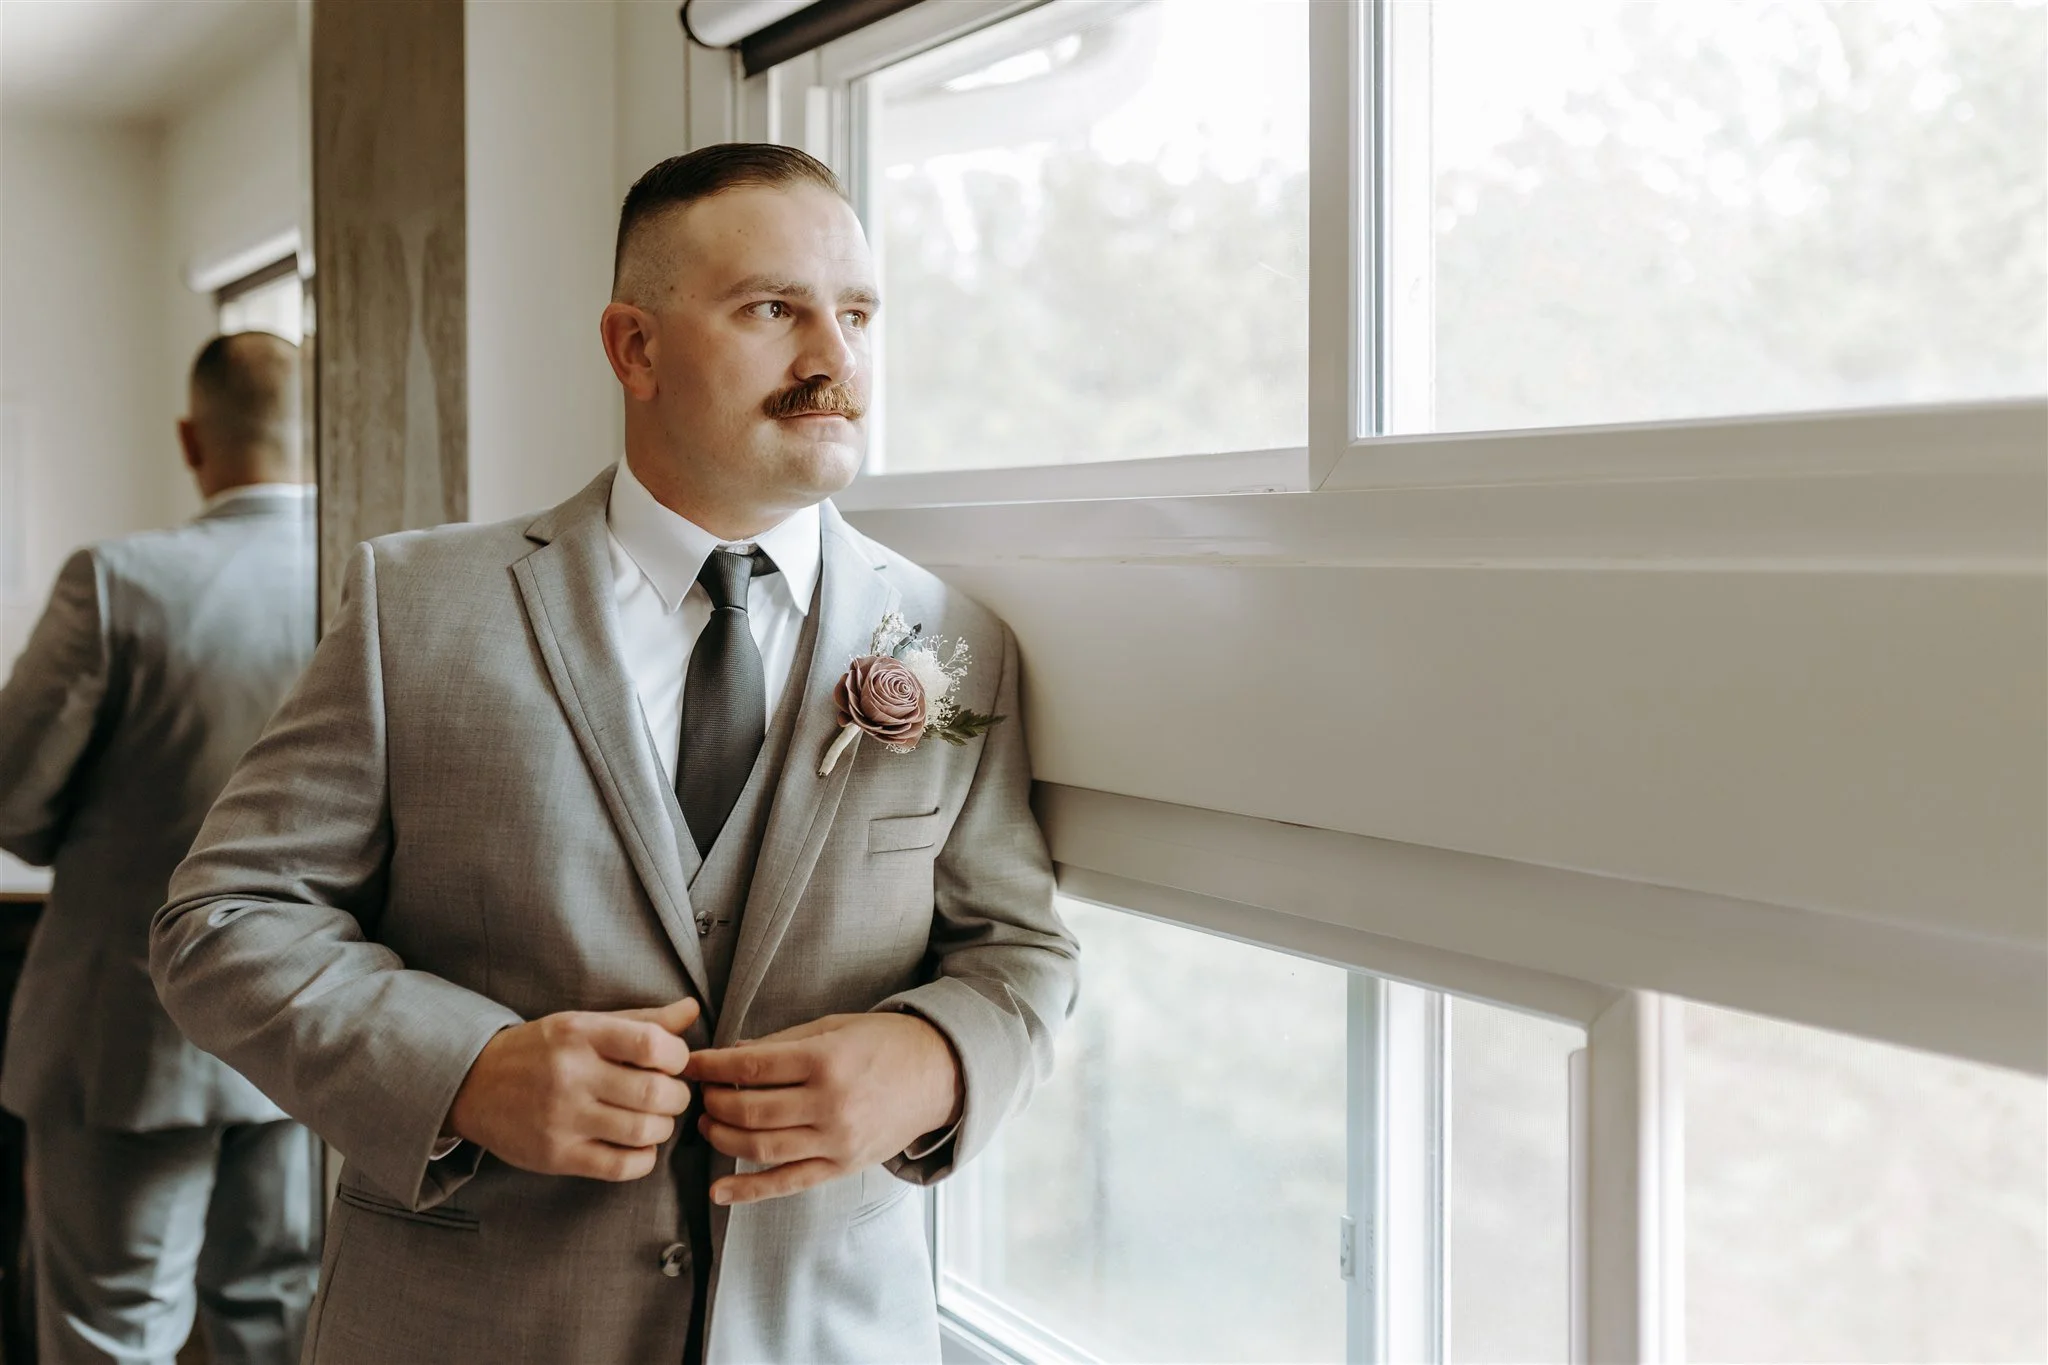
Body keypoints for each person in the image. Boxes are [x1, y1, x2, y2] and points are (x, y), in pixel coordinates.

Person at [150, 145, 1079, 1364]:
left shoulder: (953, 647)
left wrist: (937, 1062)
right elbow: (221, 921)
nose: (832, 362)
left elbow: (1018, 955)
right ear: (633, 348)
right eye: (772, 310)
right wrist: (464, 1070)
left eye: (854, 314)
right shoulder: (415, 606)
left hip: (827, 1332)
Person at [0, 331, 321, 1364]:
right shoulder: (375, 578)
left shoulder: (119, 582)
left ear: (192, 437)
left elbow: (10, 802)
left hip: (128, 1037)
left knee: (113, 1332)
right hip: (303, 1028)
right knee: (276, 1318)